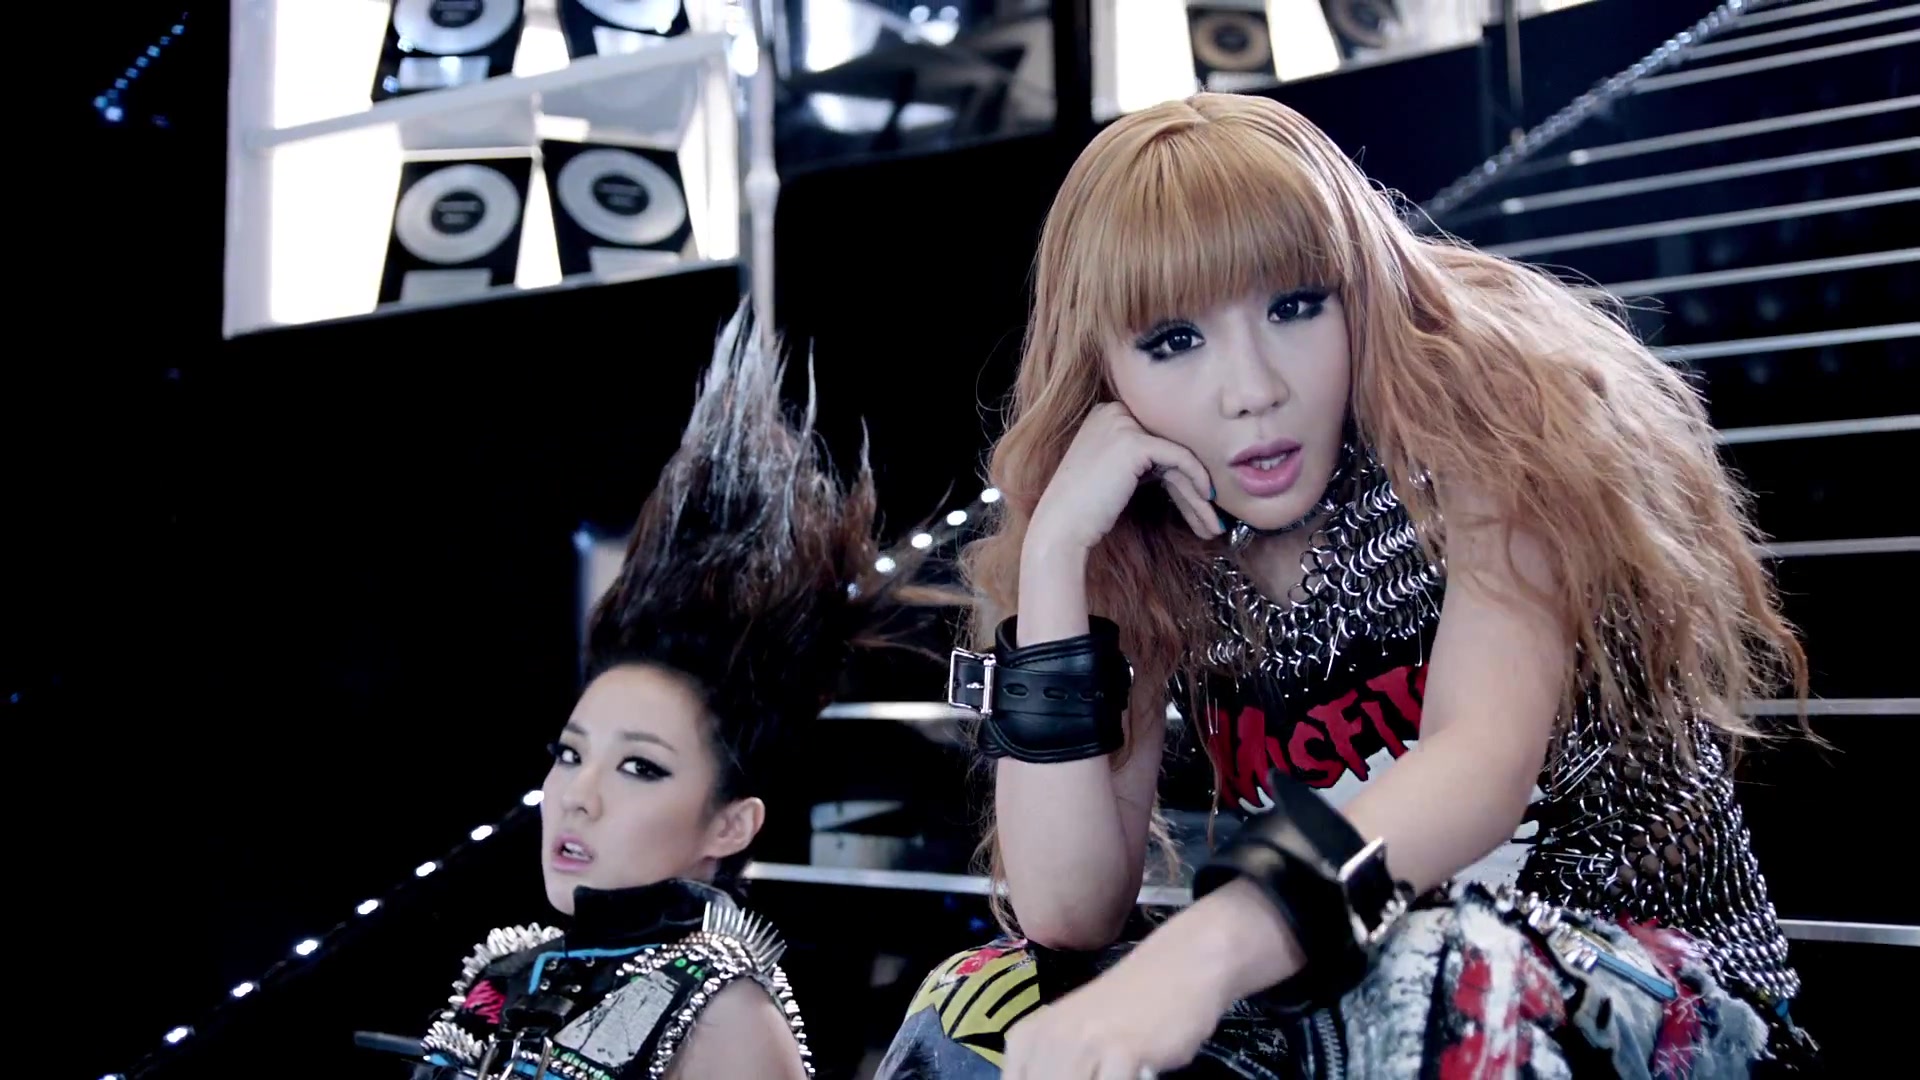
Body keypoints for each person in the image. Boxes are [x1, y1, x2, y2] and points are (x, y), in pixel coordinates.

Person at [880, 93, 1818, 1079]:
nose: (1252, 388)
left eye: (1294, 307)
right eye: (1174, 342)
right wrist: (1056, 558)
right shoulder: (1150, 537)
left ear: (1360, 291)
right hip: (1357, 997)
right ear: (1104, 371)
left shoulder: (1490, 420)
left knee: (1437, 969)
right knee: (978, 1004)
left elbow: (1480, 763)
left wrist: (1202, 953)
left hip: (1662, 1003)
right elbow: (1069, 914)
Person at [412, 305, 910, 1080]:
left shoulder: (725, 1014)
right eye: (569, 756)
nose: (578, 798)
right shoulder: (504, 976)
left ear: (731, 825)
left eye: (639, 767)